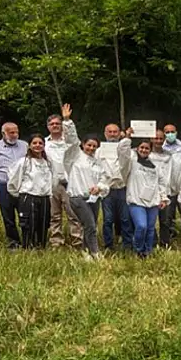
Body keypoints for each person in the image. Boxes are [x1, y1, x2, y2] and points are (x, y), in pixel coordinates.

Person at [63, 111, 110, 259]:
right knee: (90, 225)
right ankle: (96, 253)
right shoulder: (75, 156)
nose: (91, 148)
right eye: (89, 145)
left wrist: (99, 188)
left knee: (91, 225)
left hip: (93, 199)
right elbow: (71, 140)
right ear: (83, 145)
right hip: (77, 198)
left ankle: (85, 251)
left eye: (94, 146)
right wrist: (67, 121)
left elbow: (105, 180)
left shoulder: (97, 162)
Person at [119, 132, 170, 258]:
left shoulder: (155, 166)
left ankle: (148, 251)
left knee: (150, 229)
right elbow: (122, 153)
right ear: (137, 149)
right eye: (141, 147)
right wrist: (127, 138)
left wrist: (163, 197)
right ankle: (138, 249)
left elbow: (162, 182)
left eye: (147, 148)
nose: (144, 150)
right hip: (136, 201)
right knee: (141, 226)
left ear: (150, 150)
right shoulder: (131, 163)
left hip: (152, 202)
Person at [44, 108, 84, 250]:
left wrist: (67, 120)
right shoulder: (44, 144)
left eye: (57, 123)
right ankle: (56, 241)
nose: (55, 126)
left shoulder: (69, 142)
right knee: (54, 216)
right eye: (52, 124)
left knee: (73, 215)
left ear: (61, 126)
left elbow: (73, 137)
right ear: (48, 126)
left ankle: (77, 242)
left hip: (70, 183)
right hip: (52, 184)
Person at [0, 121, 27, 248]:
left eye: (16, 132)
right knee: (8, 215)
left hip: (22, 185)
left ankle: (27, 241)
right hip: (3, 185)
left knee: (25, 215)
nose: (15, 135)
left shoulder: (24, 146)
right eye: (11, 132)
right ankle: (14, 242)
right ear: (3, 133)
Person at [7, 135, 54, 249]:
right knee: (29, 226)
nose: (37, 145)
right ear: (29, 145)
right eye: (34, 143)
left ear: (44, 145)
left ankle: (41, 248)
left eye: (40, 143)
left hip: (44, 198)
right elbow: (14, 180)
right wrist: (19, 196)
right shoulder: (24, 162)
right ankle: (28, 249)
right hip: (29, 197)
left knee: (43, 225)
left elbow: (51, 180)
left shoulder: (47, 162)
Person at [101, 123, 134, 251]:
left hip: (123, 189)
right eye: (110, 132)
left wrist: (127, 138)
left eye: (115, 132)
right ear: (105, 133)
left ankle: (127, 245)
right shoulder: (99, 151)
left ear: (120, 133)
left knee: (125, 219)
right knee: (108, 220)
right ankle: (108, 245)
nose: (113, 134)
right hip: (107, 190)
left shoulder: (127, 151)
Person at [151, 129, 180, 248]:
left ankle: (165, 244)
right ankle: (151, 243)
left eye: (160, 139)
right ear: (151, 139)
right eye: (156, 138)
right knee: (150, 221)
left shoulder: (169, 156)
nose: (158, 141)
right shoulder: (147, 155)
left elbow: (173, 173)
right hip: (150, 193)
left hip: (166, 193)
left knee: (165, 221)